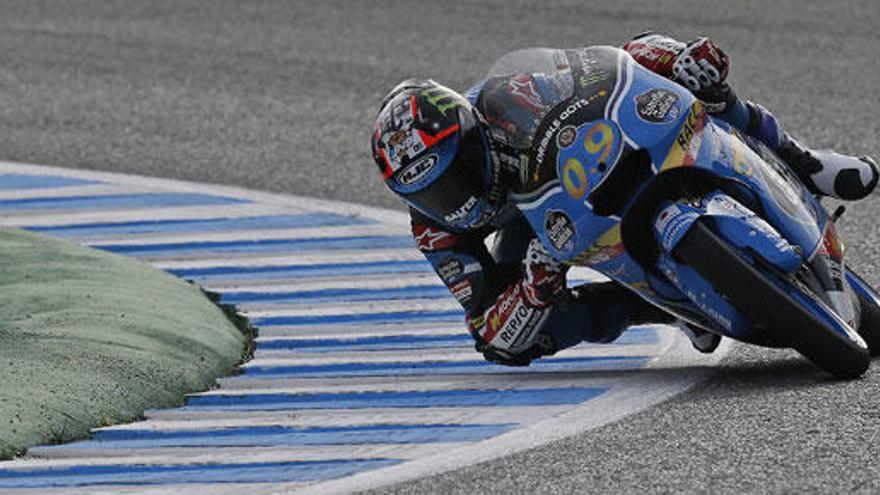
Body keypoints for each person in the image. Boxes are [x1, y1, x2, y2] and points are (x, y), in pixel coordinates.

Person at [369, 33, 878, 366]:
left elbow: (606, 62)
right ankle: (663, 308)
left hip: (569, 164)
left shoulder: (509, 95)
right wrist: (534, 284)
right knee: (515, 345)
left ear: (474, 133)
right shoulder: (434, 229)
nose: (451, 196)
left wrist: (676, 58)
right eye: (433, 191)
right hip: (534, 228)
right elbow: (487, 327)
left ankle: (805, 162)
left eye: (456, 173)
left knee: (694, 80)